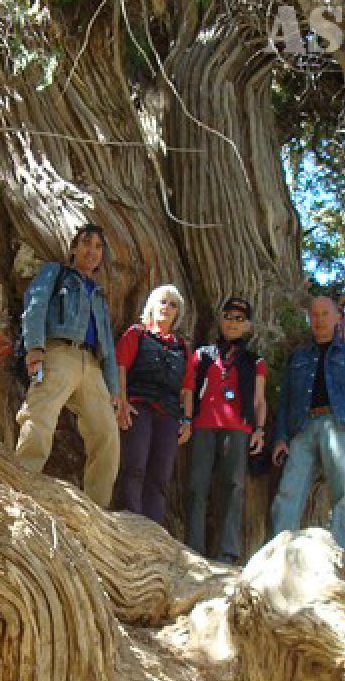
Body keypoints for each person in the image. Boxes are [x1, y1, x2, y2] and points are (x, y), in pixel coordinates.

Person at [15, 224, 123, 506]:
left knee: (107, 435)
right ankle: (21, 484)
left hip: (93, 365)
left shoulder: (98, 294)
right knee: (40, 416)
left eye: (99, 247)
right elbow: (35, 305)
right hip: (59, 352)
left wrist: (114, 390)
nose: (92, 251)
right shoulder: (56, 272)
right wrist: (35, 348)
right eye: (87, 244)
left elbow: (108, 344)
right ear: (74, 248)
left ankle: (97, 508)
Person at [270, 295, 345, 553]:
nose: (319, 319)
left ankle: (343, 558)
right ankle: (280, 556)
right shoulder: (298, 357)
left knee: (343, 495)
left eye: (325, 313)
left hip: (340, 426)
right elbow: (285, 401)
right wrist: (281, 437)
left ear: (338, 317)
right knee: (288, 493)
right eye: (314, 314)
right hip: (303, 427)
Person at [180, 296, 267, 563]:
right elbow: (188, 390)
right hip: (203, 425)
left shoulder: (254, 361)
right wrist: (186, 419)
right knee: (197, 486)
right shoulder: (203, 355)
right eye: (228, 316)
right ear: (221, 320)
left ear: (248, 326)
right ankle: (194, 548)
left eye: (239, 319)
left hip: (237, 428)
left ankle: (227, 552)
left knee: (234, 487)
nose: (233, 323)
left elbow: (259, 400)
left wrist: (259, 429)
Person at [115, 284, 189, 525]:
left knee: (161, 475)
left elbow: (187, 387)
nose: (167, 308)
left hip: (168, 414)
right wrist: (122, 402)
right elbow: (120, 367)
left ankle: (153, 527)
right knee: (134, 466)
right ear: (152, 306)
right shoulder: (137, 333)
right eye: (163, 302)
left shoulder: (183, 347)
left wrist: (187, 419)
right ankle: (130, 520)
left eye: (173, 304)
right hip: (139, 406)